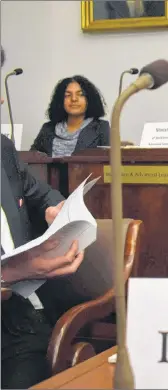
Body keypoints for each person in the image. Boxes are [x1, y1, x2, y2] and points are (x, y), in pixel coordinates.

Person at [1, 46, 85, 389]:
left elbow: (37, 191)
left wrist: (55, 207)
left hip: (15, 321)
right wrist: (19, 269)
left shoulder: (2, 150)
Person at [31, 75, 110, 157]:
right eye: (67, 95)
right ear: (60, 100)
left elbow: (109, 162)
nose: (74, 99)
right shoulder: (47, 128)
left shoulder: (101, 127)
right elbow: (31, 160)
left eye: (80, 94)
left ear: (89, 99)